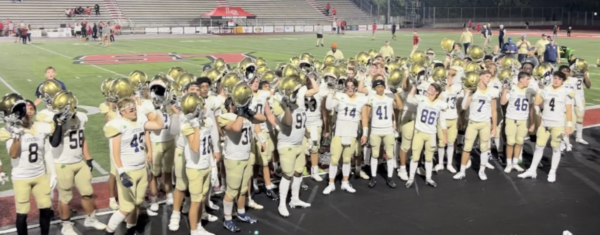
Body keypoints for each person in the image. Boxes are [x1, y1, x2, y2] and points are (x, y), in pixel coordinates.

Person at [45, 91, 107, 234]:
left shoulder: (81, 117)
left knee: (87, 193)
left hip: (79, 162)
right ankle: (66, 225)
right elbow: (54, 143)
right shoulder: (53, 120)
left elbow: (82, 137)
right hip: (62, 163)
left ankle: (90, 218)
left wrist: (88, 157)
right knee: (65, 197)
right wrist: (59, 123)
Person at [103, 97, 164, 234]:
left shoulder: (140, 121)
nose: (133, 111)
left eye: (134, 108)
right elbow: (115, 153)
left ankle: (131, 229)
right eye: (130, 109)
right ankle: (108, 232)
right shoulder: (117, 125)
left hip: (141, 169)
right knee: (126, 207)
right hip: (128, 170)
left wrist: (159, 109)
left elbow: (159, 125)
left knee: (137, 203)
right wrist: (121, 172)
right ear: (122, 112)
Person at [0, 94, 54, 235]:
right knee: (22, 213)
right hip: (21, 177)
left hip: (39, 175)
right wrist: (16, 135)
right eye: (24, 111)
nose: (27, 113)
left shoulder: (40, 127)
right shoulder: (9, 131)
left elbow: (56, 128)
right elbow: (13, 154)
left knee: (46, 208)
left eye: (29, 110)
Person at [218, 87, 264, 232]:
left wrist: (248, 112)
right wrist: (242, 113)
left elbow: (262, 118)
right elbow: (236, 128)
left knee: (243, 189)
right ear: (231, 106)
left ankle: (241, 213)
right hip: (234, 158)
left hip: (246, 156)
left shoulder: (245, 115)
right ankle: (227, 219)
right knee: (232, 191)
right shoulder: (224, 117)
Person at [518, 71, 574, 182]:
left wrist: (569, 126)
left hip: (557, 124)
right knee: (539, 146)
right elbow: (537, 102)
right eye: (555, 78)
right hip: (545, 123)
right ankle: (532, 170)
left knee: (555, 148)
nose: (556, 80)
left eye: (559, 79)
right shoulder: (547, 89)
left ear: (562, 80)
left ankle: (552, 171)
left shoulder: (565, 91)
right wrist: (540, 89)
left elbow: (568, 110)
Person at [178, 94, 220, 235]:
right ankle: (194, 231)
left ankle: (199, 225)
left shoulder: (207, 121)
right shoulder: (186, 126)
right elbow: (195, 147)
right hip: (195, 168)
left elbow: (207, 145)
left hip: (205, 165)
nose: (205, 107)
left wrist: (212, 164)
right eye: (201, 106)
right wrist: (196, 127)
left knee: (201, 199)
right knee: (195, 202)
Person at [323, 78, 368, 195]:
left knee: (347, 160)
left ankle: (345, 182)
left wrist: (365, 133)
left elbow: (364, 118)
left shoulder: (361, 99)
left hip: (352, 133)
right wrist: (330, 92)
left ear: (356, 87)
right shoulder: (339, 95)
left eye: (352, 86)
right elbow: (328, 106)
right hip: (339, 132)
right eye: (348, 86)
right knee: (334, 159)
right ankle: (331, 184)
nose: (350, 88)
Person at [453, 71, 498, 181]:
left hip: (485, 123)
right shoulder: (473, 89)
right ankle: (462, 171)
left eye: (490, 77)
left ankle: (482, 171)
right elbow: (464, 106)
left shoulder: (492, 91)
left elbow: (494, 110)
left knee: (484, 149)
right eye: (487, 76)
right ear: (480, 77)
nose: (489, 78)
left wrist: (494, 126)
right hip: (472, 123)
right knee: (467, 148)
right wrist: (468, 93)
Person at [405, 82, 447, 188]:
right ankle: (410, 178)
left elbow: (442, 121)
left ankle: (428, 178)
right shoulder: (421, 98)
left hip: (431, 134)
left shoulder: (440, 104)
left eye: (433, 88)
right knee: (415, 156)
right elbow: (409, 99)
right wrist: (414, 86)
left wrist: (445, 136)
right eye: (430, 87)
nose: (429, 89)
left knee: (429, 158)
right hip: (419, 132)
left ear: (437, 92)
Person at [363, 78, 399, 188]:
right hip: (375, 129)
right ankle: (373, 177)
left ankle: (389, 178)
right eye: (378, 87)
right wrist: (365, 131)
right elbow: (366, 116)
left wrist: (395, 93)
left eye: (382, 86)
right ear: (374, 88)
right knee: (374, 154)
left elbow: (400, 106)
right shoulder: (371, 98)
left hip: (388, 129)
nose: (380, 88)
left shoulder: (389, 98)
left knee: (389, 154)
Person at [501, 72, 535, 173]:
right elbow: (503, 102)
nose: (529, 81)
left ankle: (515, 163)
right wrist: (504, 90)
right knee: (510, 142)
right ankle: (509, 163)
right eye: (527, 79)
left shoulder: (529, 91)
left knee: (520, 142)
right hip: (511, 118)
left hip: (523, 119)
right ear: (521, 79)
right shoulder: (512, 89)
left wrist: (532, 122)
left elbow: (531, 108)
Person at [436, 66, 463, 173]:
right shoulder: (440, 90)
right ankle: (440, 163)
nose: (450, 79)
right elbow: (437, 100)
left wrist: (459, 117)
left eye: (452, 77)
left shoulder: (456, 87)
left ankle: (449, 164)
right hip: (443, 119)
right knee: (442, 143)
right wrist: (444, 88)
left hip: (453, 118)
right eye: (448, 77)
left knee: (451, 143)